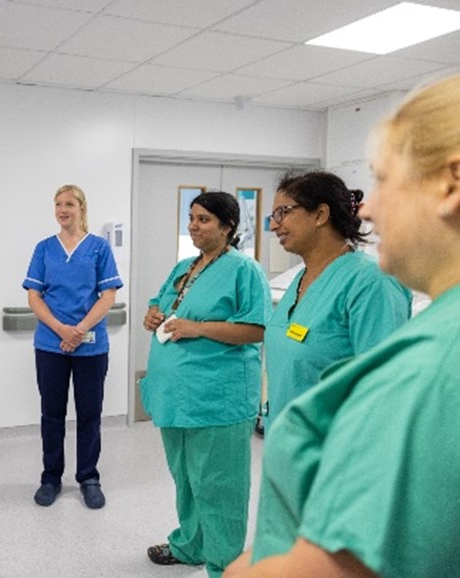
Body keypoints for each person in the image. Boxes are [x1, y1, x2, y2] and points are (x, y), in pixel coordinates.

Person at [224, 73, 460, 578]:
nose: (368, 206)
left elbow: (359, 556)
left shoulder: (436, 357)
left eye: (381, 179)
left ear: (450, 182)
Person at [141, 191, 270, 578]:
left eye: (204, 220)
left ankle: (224, 565)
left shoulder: (244, 271)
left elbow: (256, 328)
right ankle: (190, 545)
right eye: (192, 218)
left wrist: (195, 327)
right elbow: (161, 301)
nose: (194, 226)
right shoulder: (186, 265)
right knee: (187, 479)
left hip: (217, 399)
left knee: (219, 487)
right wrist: (153, 313)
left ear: (228, 227)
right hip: (177, 399)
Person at [263, 171, 410, 430]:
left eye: (283, 212)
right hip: (288, 443)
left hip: (336, 451)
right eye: (274, 216)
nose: (274, 225)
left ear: (320, 214)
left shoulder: (371, 283)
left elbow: (384, 387)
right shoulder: (300, 279)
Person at [22, 184, 123, 509]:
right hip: (50, 345)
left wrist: (79, 329)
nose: (63, 210)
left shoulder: (98, 248)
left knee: (89, 414)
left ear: (82, 208)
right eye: (58, 204)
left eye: (69, 204)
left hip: (91, 346)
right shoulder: (44, 249)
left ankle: (88, 477)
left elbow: (108, 295)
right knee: (52, 414)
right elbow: (34, 296)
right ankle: (51, 477)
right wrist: (61, 329)